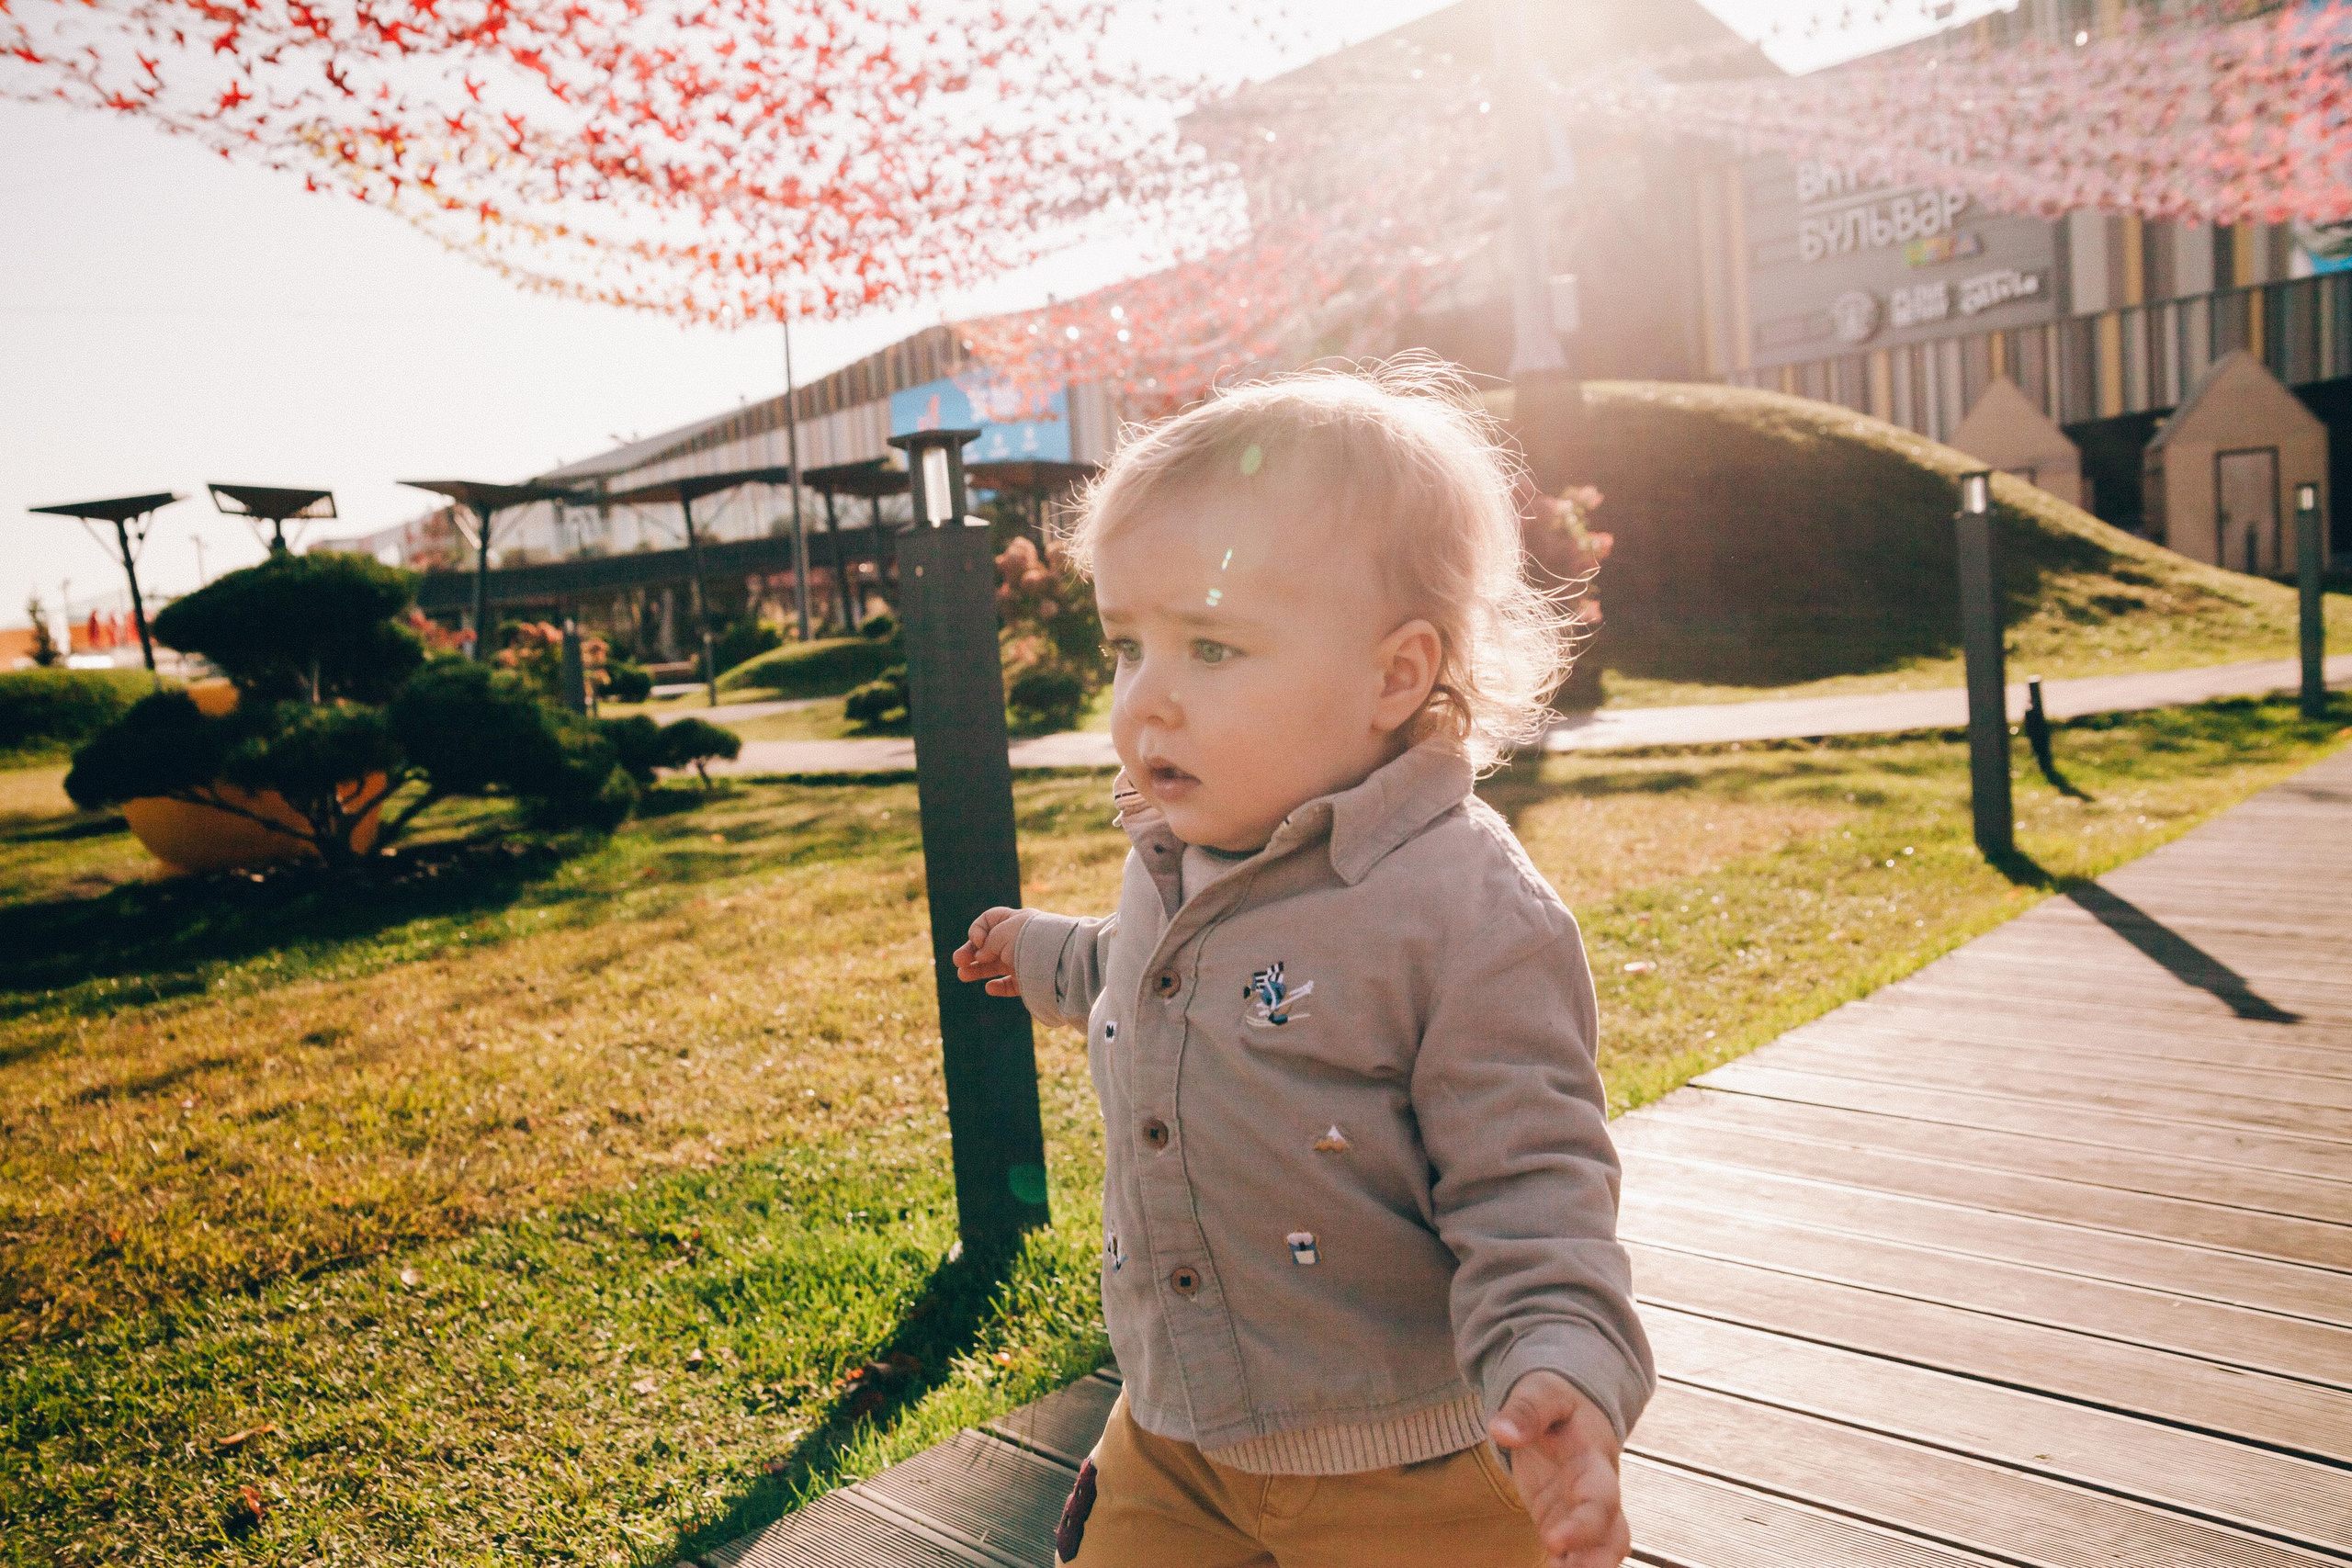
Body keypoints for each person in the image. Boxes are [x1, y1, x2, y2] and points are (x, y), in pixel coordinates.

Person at [952, 363, 1651, 1568]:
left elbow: (1532, 1192)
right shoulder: (1184, 842)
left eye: (1212, 648)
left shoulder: (1466, 918)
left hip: (1416, 1467)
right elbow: (1155, 979)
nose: (1144, 705)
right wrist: (1049, 958)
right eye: (1129, 646)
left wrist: (1560, 1368)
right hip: (1177, 1434)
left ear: (1394, 674)